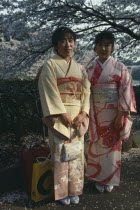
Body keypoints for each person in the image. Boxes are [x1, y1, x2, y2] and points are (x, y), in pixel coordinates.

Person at [38, 27, 90, 205]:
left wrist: (83, 113)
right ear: (55, 45)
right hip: (59, 115)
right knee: (60, 153)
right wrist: (62, 114)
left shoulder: (81, 68)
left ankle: (75, 190)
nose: (67, 45)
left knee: (76, 154)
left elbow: (87, 92)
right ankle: (61, 192)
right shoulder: (50, 65)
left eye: (71, 41)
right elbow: (48, 91)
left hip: (77, 114)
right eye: (62, 41)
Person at [85, 31, 137, 193]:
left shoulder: (120, 68)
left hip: (114, 113)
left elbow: (125, 93)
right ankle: (98, 178)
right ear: (95, 47)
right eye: (100, 44)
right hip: (96, 113)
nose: (103, 48)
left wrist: (121, 116)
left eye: (107, 45)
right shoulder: (90, 69)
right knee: (97, 145)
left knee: (113, 147)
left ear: (112, 47)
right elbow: (85, 92)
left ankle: (110, 179)